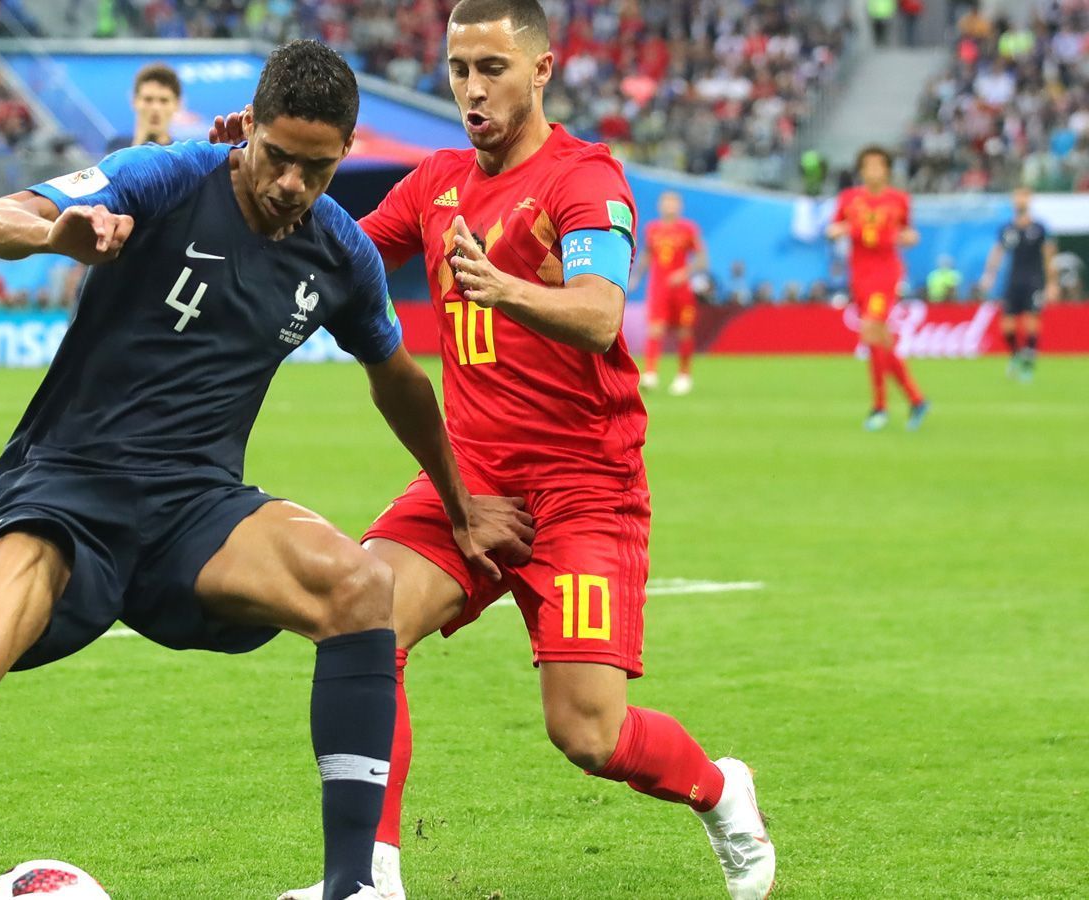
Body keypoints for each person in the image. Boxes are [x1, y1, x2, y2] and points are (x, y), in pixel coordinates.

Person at [0, 41, 529, 900]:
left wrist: (459, 505)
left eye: (317, 166)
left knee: (358, 588)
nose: (292, 184)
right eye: (277, 158)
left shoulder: (340, 254)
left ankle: (353, 888)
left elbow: (400, 383)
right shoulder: (163, 177)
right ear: (246, 133)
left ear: (345, 154)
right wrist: (56, 234)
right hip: (66, 492)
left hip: (196, 507)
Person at [222, 4, 774, 899]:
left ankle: (721, 789)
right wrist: (240, 171)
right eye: (457, 70)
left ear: (541, 69)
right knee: (362, 615)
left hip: (583, 487)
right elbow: (329, 250)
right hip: (469, 475)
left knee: (589, 735)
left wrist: (499, 285)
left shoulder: (585, 181)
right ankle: (368, 880)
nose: (472, 90)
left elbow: (600, 315)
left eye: (492, 68)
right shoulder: (436, 182)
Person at [826, 146, 928, 432]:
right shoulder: (849, 199)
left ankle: (880, 407)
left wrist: (905, 237)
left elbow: (910, 232)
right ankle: (916, 399)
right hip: (859, 273)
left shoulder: (899, 200)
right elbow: (833, 228)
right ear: (861, 170)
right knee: (881, 340)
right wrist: (840, 230)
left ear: (886, 170)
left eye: (878, 165)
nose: (873, 171)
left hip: (885, 273)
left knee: (870, 330)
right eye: (867, 166)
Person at [979, 187, 1058, 381]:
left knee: (1031, 322)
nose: (1020, 200)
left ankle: (1028, 366)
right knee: (1006, 327)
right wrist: (989, 275)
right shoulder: (1007, 229)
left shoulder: (1039, 228)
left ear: (1029, 200)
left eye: (1024, 197)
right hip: (1013, 281)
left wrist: (1052, 283)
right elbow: (997, 252)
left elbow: (1048, 255)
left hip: (1034, 281)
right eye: (1017, 197)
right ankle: (1015, 355)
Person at [632, 190, 706, 395]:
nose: (669, 206)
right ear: (660, 206)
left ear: (679, 207)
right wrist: (636, 277)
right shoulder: (652, 229)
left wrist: (685, 273)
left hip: (681, 289)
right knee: (655, 329)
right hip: (658, 287)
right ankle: (650, 374)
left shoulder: (688, 229)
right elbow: (647, 255)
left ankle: (684, 376)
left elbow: (702, 259)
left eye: (673, 203)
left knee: (684, 331)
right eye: (666, 203)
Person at [105, 62, 183, 151]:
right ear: (134, 101)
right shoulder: (116, 147)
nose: (155, 108)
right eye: (148, 99)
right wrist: (139, 142)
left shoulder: (180, 156)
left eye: (163, 101)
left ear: (177, 104)